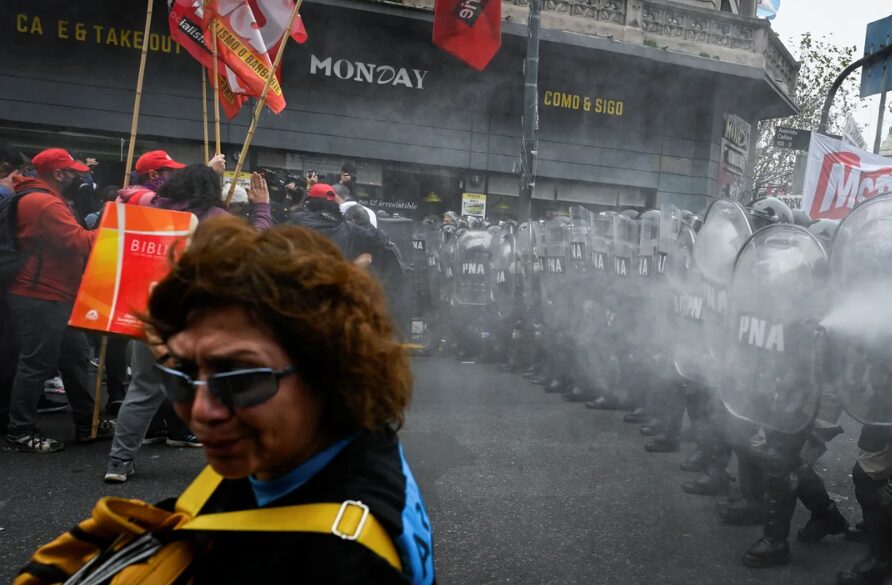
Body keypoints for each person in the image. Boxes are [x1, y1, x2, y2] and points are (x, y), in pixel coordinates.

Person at [19, 216, 436, 584]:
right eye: (181, 375)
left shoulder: (332, 565)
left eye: (241, 380)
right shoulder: (348, 435)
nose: (202, 413)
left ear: (330, 370)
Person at [105, 164, 271, 482]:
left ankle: (119, 462)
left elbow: (127, 193)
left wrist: (198, 174)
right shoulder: (216, 221)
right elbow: (255, 249)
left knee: (142, 389)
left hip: (153, 312)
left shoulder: (151, 207)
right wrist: (261, 208)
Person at [4, 148, 113, 452]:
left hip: (53, 293)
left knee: (75, 358)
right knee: (37, 364)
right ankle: (20, 432)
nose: (78, 174)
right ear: (58, 173)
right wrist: (109, 226)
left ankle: (87, 422)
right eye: (71, 170)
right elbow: (78, 242)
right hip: (41, 294)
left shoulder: (42, 198)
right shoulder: (43, 202)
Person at [289, 183, 389, 264]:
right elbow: (380, 238)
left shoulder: (295, 222)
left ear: (309, 202)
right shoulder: (348, 227)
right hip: (336, 282)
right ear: (335, 202)